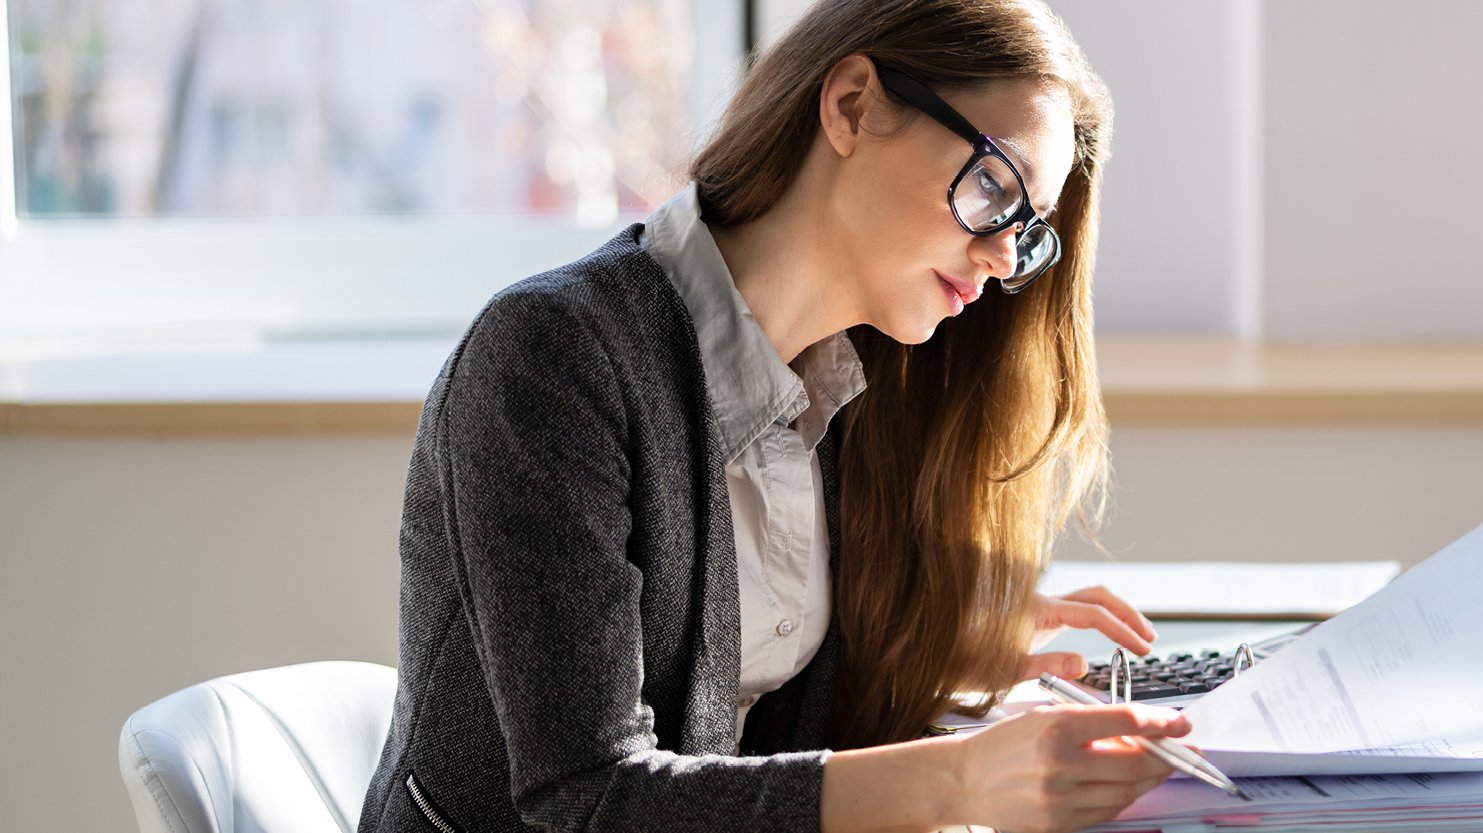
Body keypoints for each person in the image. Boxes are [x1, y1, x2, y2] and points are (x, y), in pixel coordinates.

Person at [357, 2, 1181, 831]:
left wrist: (921, 647)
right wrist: (960, 779)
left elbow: (750, 736)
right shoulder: (555, 354)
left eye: (1028, 231)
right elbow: (587, 796)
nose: (1004, 254)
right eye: (995, 187)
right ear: (852, 105)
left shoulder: (854, 393)